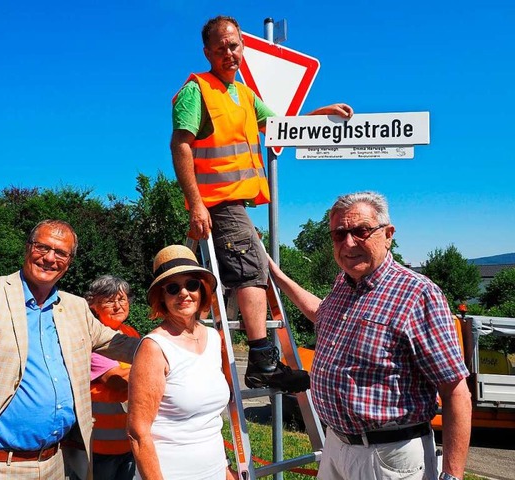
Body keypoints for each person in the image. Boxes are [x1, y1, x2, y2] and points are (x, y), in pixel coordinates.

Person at [170, 15, 353, 392]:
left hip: (236, 204)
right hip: (217, 202)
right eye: (220, 47)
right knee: (252, 272)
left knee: (255, 268)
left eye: (234, 45)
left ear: (243, 48)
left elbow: (280, 125)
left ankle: (258, 357)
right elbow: (180, 145)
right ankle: (262, 361)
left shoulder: (243, 95)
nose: (228, 52)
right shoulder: (197, 91)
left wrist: (319, 115)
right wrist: (196, 204)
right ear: (207, 52)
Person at [267, 192, 472, 480]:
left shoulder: (418, 294)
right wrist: (278, 277)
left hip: (388, 455)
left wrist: (452, 476)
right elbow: (321, 313)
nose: (349, 243)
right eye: (339, 234)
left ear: (388, 235)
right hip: (336, 445)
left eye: (361, 231)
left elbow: (456, 391)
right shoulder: (345, 282)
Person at [0, 219, 140, 480]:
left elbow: (122, 345)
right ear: (28, 248)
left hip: (55, 464)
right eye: (42, 247)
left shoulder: (75, 308)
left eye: (61, 252)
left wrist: (177, 341)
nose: (50, 258)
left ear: (69, 261)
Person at [127, 245, 235, 480]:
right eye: (173, 288)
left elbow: (209, 421)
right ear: (162, 298)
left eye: (192, 284)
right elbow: (138, 432)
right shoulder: (154, 347)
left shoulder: (214, 338)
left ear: (202, 289)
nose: (184, 293)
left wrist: (224, 470)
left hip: (214, 471)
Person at [64, 275, 140, 480]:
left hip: (128, 441)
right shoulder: (92, 339)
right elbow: (116, 382)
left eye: (122, 299)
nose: (118, 306)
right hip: (98, 447)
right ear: (93, 305)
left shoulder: (130, 333)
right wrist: (153, 367)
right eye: (108, 300)